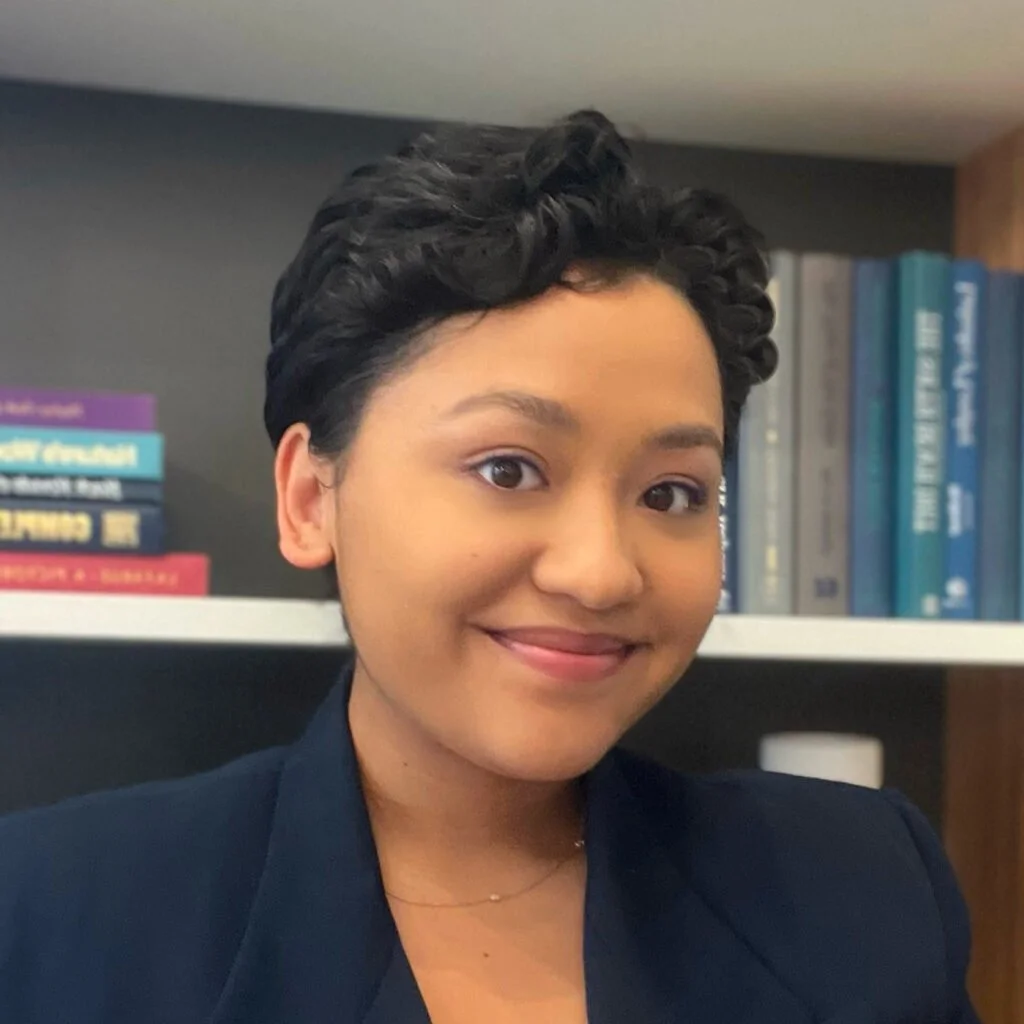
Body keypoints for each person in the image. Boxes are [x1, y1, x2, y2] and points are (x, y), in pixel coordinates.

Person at [0, 110, 978, 1024]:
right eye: (507, 468)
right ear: (309, 498)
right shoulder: (53, 919)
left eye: (672, 493)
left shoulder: (863, 888)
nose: (600, 573)